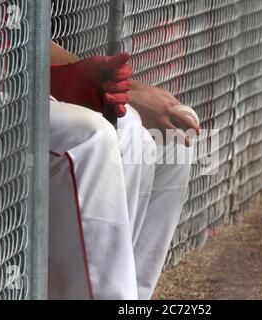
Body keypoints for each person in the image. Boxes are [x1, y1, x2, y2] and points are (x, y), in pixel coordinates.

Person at [47, 42, 199, 300]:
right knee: (95, 136)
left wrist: (121, 88)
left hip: (36, 82)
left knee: (171, 142)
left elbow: (28, 35)